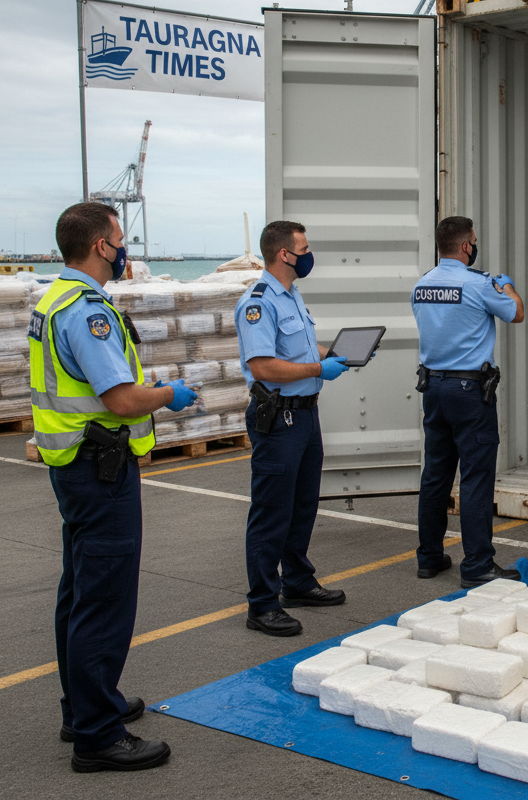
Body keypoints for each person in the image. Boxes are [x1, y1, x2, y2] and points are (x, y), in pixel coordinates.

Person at [29, 202, 197, 772]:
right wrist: (167, 394)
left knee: (78, 590)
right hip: (99, 468)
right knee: (103, 598)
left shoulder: (52, 298)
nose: (125, 248)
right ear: (102, 245)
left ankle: (83, 707)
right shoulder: (86, 310)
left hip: (73, 465)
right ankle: (98, 736)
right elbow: (120, 400)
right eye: (120, 238)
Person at [234, 220, 351, 637]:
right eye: (303, 247)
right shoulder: (259, 302)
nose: (308, 253)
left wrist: (338, 351)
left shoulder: (291, 296)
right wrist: (321, 367)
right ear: (285, 254)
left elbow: (298, 348)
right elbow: (263, 365)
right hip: (278, 417)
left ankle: (297, 582)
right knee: (271, 514)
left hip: (304, 414)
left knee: (302, 506)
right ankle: (262, 605)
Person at [411, 216, 525, 588]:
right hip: (469, 392)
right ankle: (477, 565)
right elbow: (516, 312)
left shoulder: (422, 285)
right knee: (476, 478)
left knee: (436, 474)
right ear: (465, 246)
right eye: (474, 241)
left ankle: (429, 556)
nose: (475, 246)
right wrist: (505, 285)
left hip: (434, 389)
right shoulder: (479, 285)